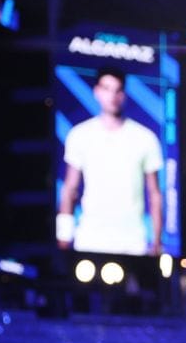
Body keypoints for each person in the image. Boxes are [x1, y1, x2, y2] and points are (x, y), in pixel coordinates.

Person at [57, 69, 164, 257]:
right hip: (90, 239)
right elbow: (69, 189)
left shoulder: (145, 138)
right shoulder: (79, 135)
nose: (112, 96)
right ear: (97, 91)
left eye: (118, 90)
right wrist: (64, 236)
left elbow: (154, 193)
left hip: (132, 242)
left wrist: (156, 241)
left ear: (124, 94)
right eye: (107, 88)